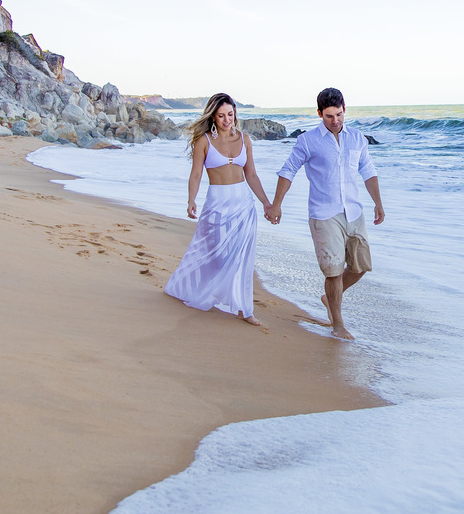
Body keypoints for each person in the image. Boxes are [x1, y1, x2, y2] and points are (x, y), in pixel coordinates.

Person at [266, 87, 385, 340]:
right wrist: (276, 204)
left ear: (345, 110)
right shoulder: (308, 141)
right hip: (323, 213)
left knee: (361, 266)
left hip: (354, 211)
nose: (335, 121)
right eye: (329, 116)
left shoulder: (357, 139)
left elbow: (368, 171)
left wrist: (378, 202)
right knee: (332, 271)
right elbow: (288, 171)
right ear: (319, 113)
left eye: (339, 115)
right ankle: (338, 324)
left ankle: (329, 297)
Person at [165, 93, 272, 326]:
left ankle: (245, 308)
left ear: (235, 113)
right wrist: (191, 200)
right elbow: (196, 174)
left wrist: (266, 202)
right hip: (216, 204)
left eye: (230, 115)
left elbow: (251, 174)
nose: (227, 120)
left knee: (243, 257)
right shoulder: (203, 141)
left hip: (243, 204)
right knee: (211, 254)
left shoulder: (244, 139)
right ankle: (197, 289)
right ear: (213, 116)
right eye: (221, 116)